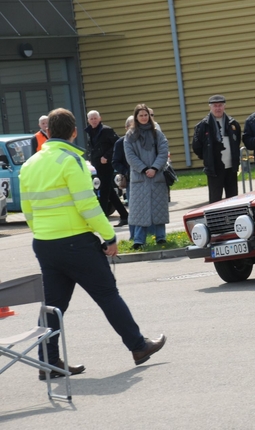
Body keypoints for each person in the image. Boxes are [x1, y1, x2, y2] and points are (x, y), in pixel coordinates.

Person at [19, 108, 166, 379]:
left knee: (53, 306)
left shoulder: (30, 164)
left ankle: (48, 363)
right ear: (74, 132)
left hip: (44, 243)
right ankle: (138, 346)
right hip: (76, 242)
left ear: (48, 132)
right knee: (107, 294)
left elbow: (27, 210)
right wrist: (109, 237)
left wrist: (42, 231)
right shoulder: (70, 161)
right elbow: (87, 205)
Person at [124, 104, 170, 249]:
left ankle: (161, 237)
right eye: (141, 115)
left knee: (159, 209)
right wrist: (144, 169)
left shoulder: (157, 133)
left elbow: (163, 151)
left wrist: (155, 168)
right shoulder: (130, 135)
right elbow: (130, 156)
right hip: (140, 178)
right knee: (139, 211)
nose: (144, 118)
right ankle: (139, 240)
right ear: (136, 117)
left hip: (157, 176)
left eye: (146, 115)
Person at [192, 95, 242, 203]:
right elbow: (197, 147)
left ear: (224, 106)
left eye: (220, 105)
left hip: (231, 168)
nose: (218, 108)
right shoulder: (203, 126)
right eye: (215, 106)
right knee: (215, 201)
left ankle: (233, 219)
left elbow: (237, 141)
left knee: (233, 200)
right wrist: (207, 157)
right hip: (214, 169)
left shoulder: (233, 124)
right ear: (210, 107)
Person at [84, 110, 129, 226]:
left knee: (103, 191)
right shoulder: (90, 131)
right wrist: (91, 158)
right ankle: (125, 216)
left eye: (95, 118)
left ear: (100, 118)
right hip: (98, 165)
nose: (93, 120)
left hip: (107, 165)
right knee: (109, 192)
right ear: (88, 120)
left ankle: (101, 219)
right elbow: (92, 147)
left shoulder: (106, 130)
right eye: (91, 119)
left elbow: (117, 144)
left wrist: (106, 157)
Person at [112, 116, 138, 240]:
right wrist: (126, 171)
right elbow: (115, 162)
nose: (133, 129)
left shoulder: (141, 141)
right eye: (131, 127)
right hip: (130, 180)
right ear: (126, 128)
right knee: (133, 209)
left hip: (145, 179)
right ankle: (134, 236)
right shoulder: (120, 143)